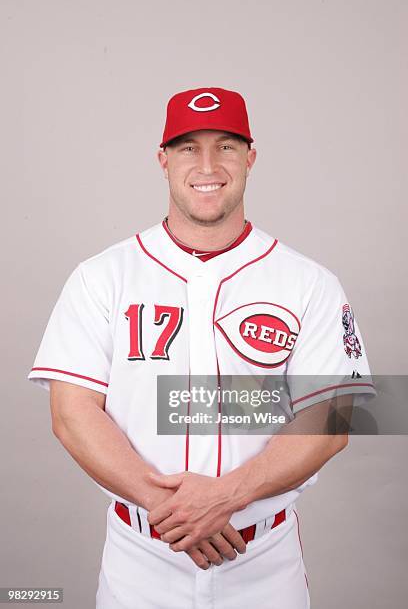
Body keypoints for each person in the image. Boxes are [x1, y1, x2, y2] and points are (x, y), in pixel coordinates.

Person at [27, 87, 376, 608]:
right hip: (140, 562)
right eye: (189, 147)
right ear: (163, 159)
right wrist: (173, 511)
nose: (208, 163)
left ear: (251, 158)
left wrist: (228, 495)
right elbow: (71, 412)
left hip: (264, 566)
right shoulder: (102, 277)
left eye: (226, 146)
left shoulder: (309, 282)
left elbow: (331, 421)